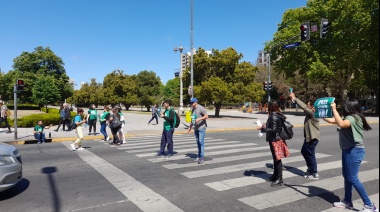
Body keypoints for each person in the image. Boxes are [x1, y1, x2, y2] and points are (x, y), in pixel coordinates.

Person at [323, 99, 376, 212]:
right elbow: (333, 121)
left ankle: (369, 205)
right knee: (347, 177)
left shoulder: (352, 118)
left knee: (352, 178)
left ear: (348, 107)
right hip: (348, 150)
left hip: (354, 151)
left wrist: (333, 109)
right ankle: (347, 201)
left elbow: (341, 124)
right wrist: (320, 114)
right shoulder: (350, 117)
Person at [257, 100, 289, 186]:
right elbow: (274, 127)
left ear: (270, 107)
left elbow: (275, 130)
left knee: (277, 159)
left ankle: (279, 178)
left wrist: (263, 129)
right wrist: (266, 126)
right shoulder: (277, 115)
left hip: (276, 140)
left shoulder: (273, 116)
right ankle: (275, 175)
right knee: (275, 158)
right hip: (276, 139)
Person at [289, 92, 320, 179]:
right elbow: (305, 108)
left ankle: (314, 172)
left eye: (309, 105)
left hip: (312, 138)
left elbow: (304, 107)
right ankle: (310, 169)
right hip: (309, 137)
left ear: (313, 106)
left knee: (310, 154)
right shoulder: (311, 113)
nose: (307, 105)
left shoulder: (314, 113)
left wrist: (295, 98)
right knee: (304, 151)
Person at [187, 98, 208, 164]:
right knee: (198, 142)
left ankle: (201, 157)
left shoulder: (201, 108)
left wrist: (199, 119)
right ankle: (198, 156)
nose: (191, 104)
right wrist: (190, 127)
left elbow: (206, 116)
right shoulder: (193, 109)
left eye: (192, 103)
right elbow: (192, 119)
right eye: (191, 103)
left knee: (201, 141)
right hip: (195, 128)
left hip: (201, 127)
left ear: (196, 102)